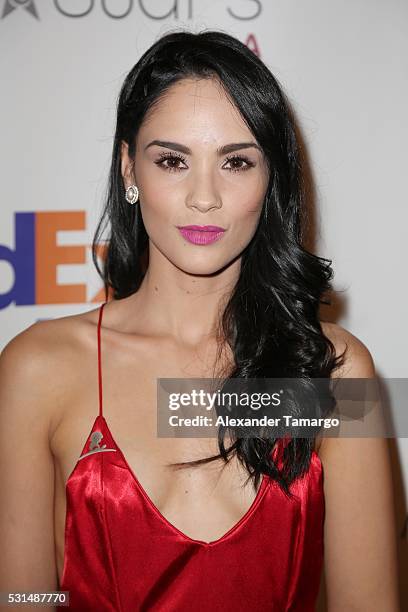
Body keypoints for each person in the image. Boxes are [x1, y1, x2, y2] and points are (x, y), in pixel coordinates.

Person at [0, 29, 399, 611]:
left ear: (271, 179)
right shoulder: (38, 369)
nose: (204, 197)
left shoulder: (334, 373)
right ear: (129, 169)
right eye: (172, 160)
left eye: (236, 161)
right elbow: (23, 598)